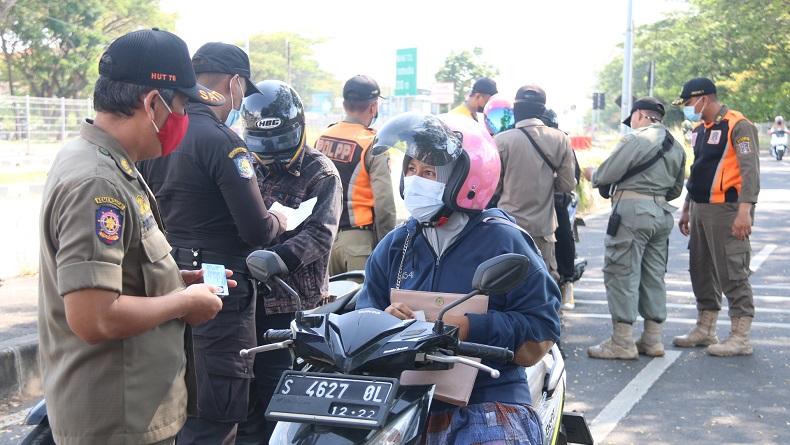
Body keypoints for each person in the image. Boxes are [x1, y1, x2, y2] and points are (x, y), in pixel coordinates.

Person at [37, 29, 227, 445]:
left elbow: (118, 273)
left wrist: (175, 282)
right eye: (182, 106)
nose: (183, 119)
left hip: (130, 410)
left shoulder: (106, 162)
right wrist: (184, 303)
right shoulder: (97, 182)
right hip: (118, 421)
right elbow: (94, 317)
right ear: (153, 103)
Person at [356, 112, 560, 445]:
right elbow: (363, 316)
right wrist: (383, 322)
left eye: (429, 173)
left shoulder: (503, 241)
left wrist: (468, 327)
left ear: (465, 180)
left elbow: (541, 330)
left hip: (489, 394)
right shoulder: (396, 245)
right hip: (405, 398)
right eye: (412, 169)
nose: (416, 180)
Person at [137, 42, 285, 444]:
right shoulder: (224, 142)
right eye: (243, 90)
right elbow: (256, 231)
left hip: (167, 275)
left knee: (174, 406)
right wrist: (279, 219)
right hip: (219, 284)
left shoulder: (157, 136)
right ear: (234, 84)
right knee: (216, 413)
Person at [235, 80, 342, 444]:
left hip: (291, 304)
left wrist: (277, 259)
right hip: (246, 299)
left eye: (280, 143)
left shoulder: (321, 173)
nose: (272, 157)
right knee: (242, 396)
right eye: (263, 147)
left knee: (280, 399)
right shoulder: (244, 164)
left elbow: (320, 235)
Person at [586, 97, 686, 360]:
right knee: (654, 274)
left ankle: (622, 342)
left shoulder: (635, 140)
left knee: (622, 272)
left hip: (632, 213)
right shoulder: (676, 146)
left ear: (640, 115)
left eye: (632, 119)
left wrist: (591, 174)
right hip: (661, 214)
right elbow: (676, 189)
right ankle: (653, 339)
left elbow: (605, 174)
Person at [672, 77, 760, 356]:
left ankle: (740, 336)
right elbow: (697, 170)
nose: (687, 108)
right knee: (701, 269)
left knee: (732, 271)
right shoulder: (699, 129)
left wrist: (745, 210)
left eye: (688, 103)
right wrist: (687, 207)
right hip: (700, 207)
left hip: (727, 209)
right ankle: (705, 328)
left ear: (704, 99)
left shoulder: (738, 125)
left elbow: (750, 171)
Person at [494, 85, 577, 283]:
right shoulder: (560, 139)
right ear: (542, 110)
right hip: (543, 229)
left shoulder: (500, 141)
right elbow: (567, 185)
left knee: (507, 283)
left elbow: (494, 188)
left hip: (508, 227)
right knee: (542, 282)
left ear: (515, 109)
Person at [315, 75, 396, 274]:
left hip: (323, 240)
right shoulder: (373, 144)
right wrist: (387, 248)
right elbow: (384, 203)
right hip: (357, 245)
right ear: (373, 107)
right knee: (361, 295)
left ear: (344, 105)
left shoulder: (323, 137)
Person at [540, 108, 583, 311]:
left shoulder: (562, 141)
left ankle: (567, 280)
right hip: (529, 199)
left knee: (564, 235)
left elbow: (574, 175)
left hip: (556, 200)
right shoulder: (520, 138)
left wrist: (556, 185)